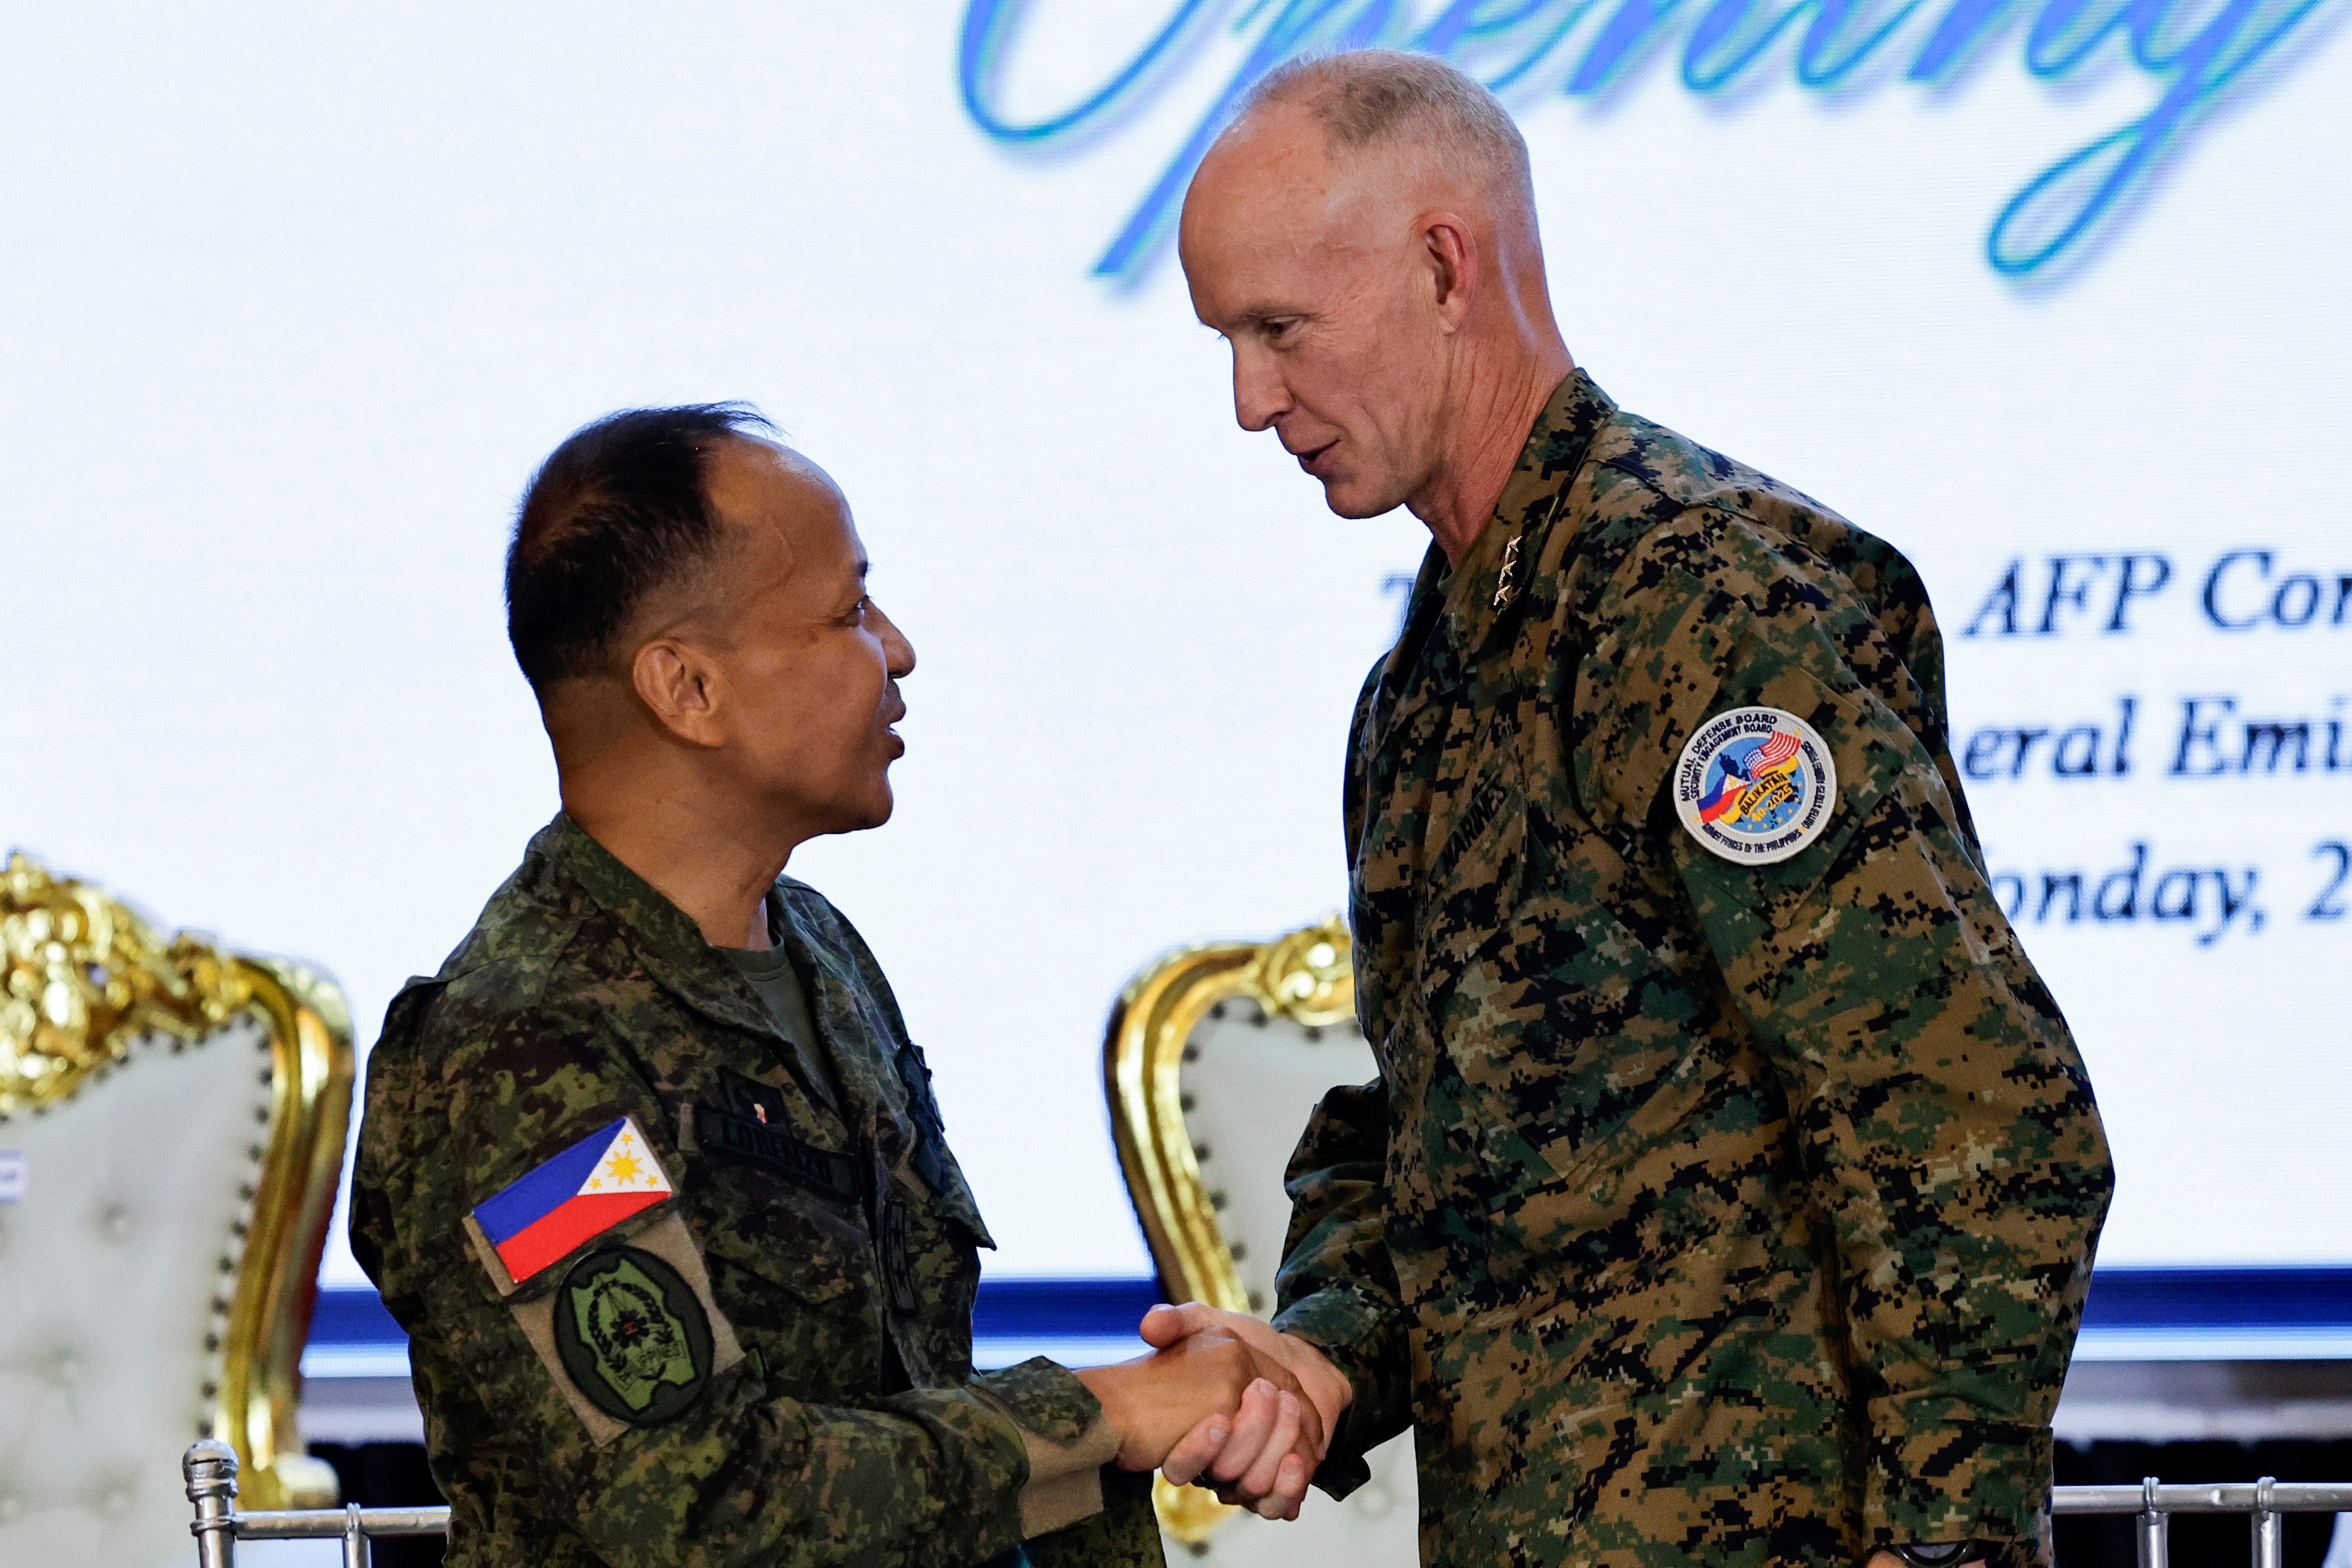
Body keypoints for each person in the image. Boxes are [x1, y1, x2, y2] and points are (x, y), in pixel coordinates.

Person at [1145, 50, 2113, 1568]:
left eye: (1278, 330)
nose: (1251, 399)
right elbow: (1446, 1146)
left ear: (1444, 266)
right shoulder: (1428, 681)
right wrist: (1321, 1356)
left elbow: (1971, 1113)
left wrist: (1942, 1546)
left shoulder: (1699, 607)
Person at [349, 405, 1322, 1567]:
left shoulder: (815, 948)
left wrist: (1170, 1414)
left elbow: (921, 1425)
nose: (898, 647)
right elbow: (697, 1504)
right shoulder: (515, 1046)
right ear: (686, 689)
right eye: (848, 611)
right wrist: (1101, 1413)